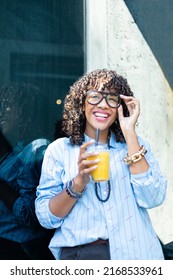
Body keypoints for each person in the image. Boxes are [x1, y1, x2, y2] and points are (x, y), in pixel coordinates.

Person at [35, 69, 167, 260]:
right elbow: (46, 218)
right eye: (95, 97)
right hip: (83, 257)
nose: (103, 105)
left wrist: (129, 132)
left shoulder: (135, 146)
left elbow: (153, 197)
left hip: (138, 255)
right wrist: (78, 183)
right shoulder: (60, 150)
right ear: (82, 103)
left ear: (120, 107)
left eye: (112, 99)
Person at [0, 83, 55, 259]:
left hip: (18, 250)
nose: (3, 111)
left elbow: (30, 215)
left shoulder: (37, 149)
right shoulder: (17, 150)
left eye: (10, 105)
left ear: (26, 114)